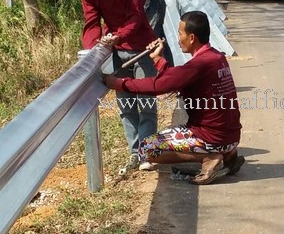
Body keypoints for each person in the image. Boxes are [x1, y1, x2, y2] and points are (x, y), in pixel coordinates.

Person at [103, 11, 244, 185]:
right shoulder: (217, 57)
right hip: (232, 138)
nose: (178, 39)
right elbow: (175, 79)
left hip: (210, 137)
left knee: (146, 149)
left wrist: (120, 83)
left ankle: (210, 157)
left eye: (180, 33)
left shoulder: (198, 65)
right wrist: (158, 59)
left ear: (191, 38)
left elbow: (158, 86)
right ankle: (226, 153)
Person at [74, 0, 158, 174]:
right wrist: (94, 48)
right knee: (126, 106)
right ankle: (135, 152)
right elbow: (92, 24)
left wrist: (120, 35)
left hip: (141, 48)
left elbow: (136, 15)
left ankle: (147, 152)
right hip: (116, 52)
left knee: (146, 104)